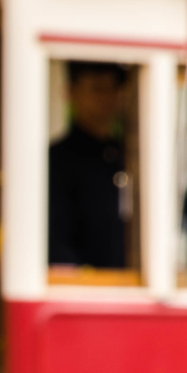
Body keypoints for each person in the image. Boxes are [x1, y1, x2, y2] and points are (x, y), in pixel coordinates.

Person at [47, 61, 133, 270]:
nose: (108, 97)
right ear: (71, 92)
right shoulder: (57, 160)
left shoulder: (130, 155)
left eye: (114, 88)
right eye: (97, 88)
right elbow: (53, 240)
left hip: (132, 287)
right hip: (85, 293)